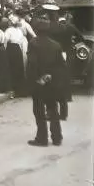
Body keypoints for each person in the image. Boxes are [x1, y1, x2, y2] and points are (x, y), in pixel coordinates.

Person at [26, 16, 66, 147]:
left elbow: (32, 64)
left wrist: (36, 79)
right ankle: (57, 137)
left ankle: (42, 138)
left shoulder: (33, 43)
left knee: (38, 111)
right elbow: (61, 66)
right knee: (52, 108)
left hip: (39, 82)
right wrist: (51, 76)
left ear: (36, 30)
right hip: (52, 82)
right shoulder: (56, 45)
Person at [4, 14, 28, 97]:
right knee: (18, 67)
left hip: (11, 48)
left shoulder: (8, 30)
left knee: (11, 67)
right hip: (18, 49)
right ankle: (20, 89)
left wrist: (4, 50)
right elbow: (21, 42)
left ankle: (12, 87)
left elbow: (5, 41)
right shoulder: (19, 31)